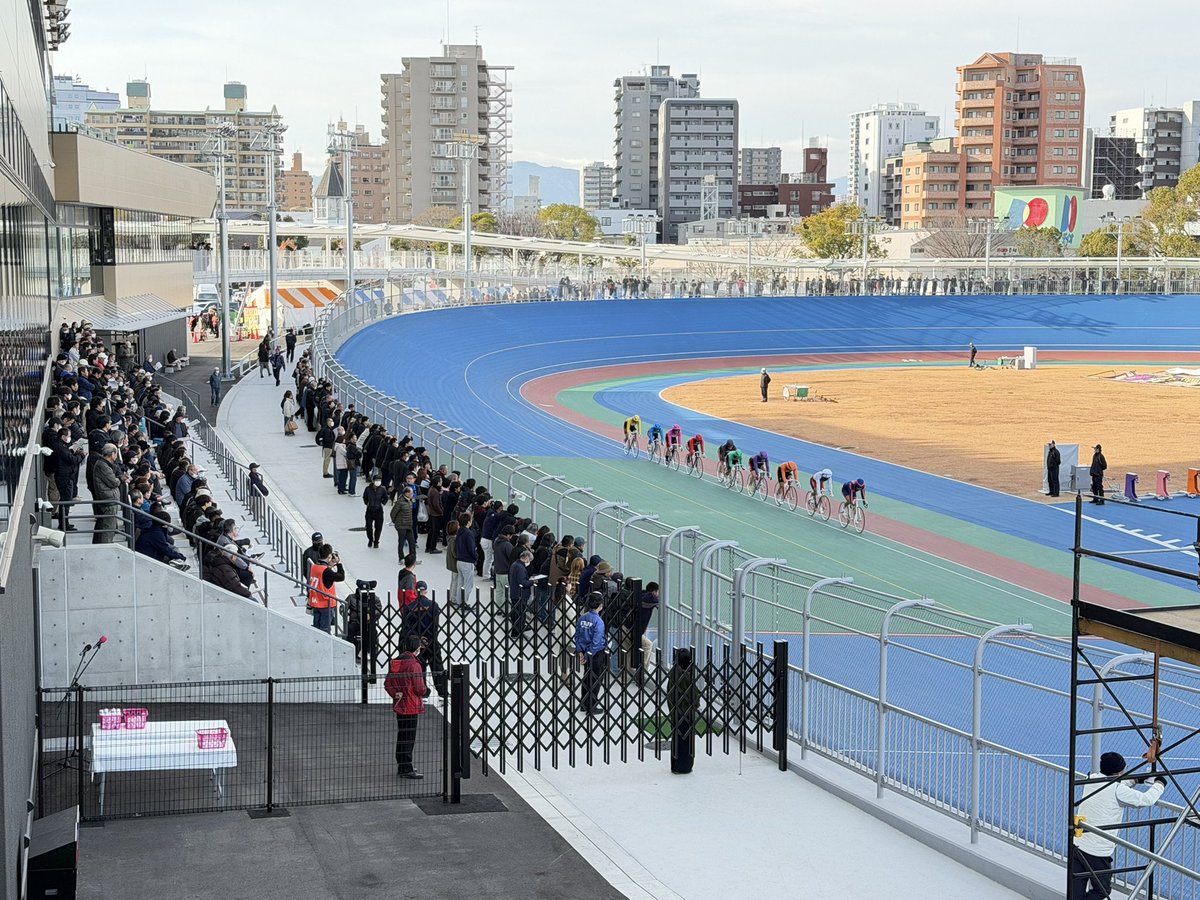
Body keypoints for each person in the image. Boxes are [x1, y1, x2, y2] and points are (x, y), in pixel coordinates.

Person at [1072, 751, 1165, 900]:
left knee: (1075, 892)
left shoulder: (1092, 778)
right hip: (1098, 851)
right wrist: (1160, 783)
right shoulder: (1118, 790)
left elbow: (1113, 784)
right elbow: (1146, 800)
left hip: (1078, 844)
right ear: (1120, 771)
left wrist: (1135, 780)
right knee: (1102, 890)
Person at [384, 634, 428, 779]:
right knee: (409, 737)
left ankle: (402, 765)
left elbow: (388, 683)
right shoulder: (414, 665)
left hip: (400, 703)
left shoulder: (396, 662)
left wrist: (395, 694)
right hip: (411, 705)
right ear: (417, 648)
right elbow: (419, 688)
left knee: (402, 735)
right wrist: (427, 691)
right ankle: (406, 768)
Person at [401, 581, 446, 697]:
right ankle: (442, 691)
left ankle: (423, 691)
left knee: (420, 667)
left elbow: (407, 628)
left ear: (415, 591)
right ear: (426, 590)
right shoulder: (433, 605)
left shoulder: (410, 607)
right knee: (437, 666)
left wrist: (418, 640)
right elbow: (435, 626)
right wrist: (429, 638)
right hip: (431, 641)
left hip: (417, 643)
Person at [667, 648, 700, 774]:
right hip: (686, 714)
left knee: (676, 739)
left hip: (675, 713)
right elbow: (694, 696)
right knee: (686, 742)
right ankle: (685, 766)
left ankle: (675, 765)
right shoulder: (687, 676)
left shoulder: (673, 672)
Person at [576, 593, 607, 715]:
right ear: (600, 605)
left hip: (584, 651)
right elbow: (596, 641)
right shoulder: (598, 621)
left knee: (586, 677)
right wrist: (589, 654)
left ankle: (584, 703)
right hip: (596, 654)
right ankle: (592, 705)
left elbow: (578, 636)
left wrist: (580, 652)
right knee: (596, 679)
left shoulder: (582, 618)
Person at [306, 544, 345, 632]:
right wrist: (339, 563)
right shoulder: (326, 571)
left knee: (316, 629)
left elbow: (324, 573)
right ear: (329, 556)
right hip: (326, 605)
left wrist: (330, 565)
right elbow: (341, 577)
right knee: (324, 630)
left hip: (315, 603)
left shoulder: (314, 567)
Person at [509, 549, 535, 639]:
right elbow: (522, 582)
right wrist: (532, 582)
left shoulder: (514, 565)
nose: (529, 563)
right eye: (529, 560)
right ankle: (517, 632)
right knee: (520, 614)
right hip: (520, 594)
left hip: (514, 593)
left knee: (516, 614)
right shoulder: (520, 568)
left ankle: (516, 631)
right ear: (526, 558)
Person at [453, 511, 477, 607]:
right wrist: (475, 557)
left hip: (459, 560)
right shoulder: (469, 533)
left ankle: (459, 602)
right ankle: (465, 602)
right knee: (468, 584)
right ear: (468, 522)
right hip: (467, 561)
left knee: (460, 582)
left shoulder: (459, 532)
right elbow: (471, 548)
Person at [362, 471, 388, 548]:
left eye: (379, 480)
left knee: (378, 527)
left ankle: (376, 541)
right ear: (373, 481)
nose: (378, 482)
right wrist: (367, 503)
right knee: (368, 527)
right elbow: (364, 497)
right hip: (370, 510)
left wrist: (382, 503)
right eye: (376, 480)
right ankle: (370, 539)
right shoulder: (368, 489)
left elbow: (386, 498)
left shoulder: (382, 489)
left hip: (379, 510)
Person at [391, 485, 417, 560]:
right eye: (411, 492)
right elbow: (393, 513)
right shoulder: (400, 502)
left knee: (412, 542)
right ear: (407, 493)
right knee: (401, 542)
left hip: (409, 525)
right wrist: (396, 522)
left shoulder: (410, 501)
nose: (413, 494)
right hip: (401, 525)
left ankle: (413, 558)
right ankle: (401, 558)